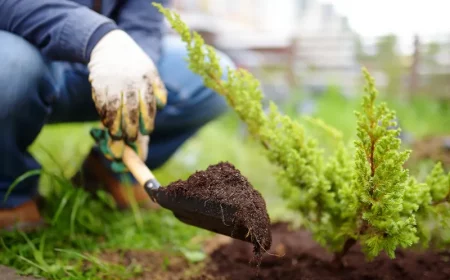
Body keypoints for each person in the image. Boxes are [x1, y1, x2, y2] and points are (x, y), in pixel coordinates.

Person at [0, 0, 234, 230]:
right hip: (23, 51)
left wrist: (136, 81)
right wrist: (98, 37)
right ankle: (8, 194)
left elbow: (143, 23)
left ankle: (108, 171)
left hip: (99, 64)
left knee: (215, 75)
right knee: (9, 65)